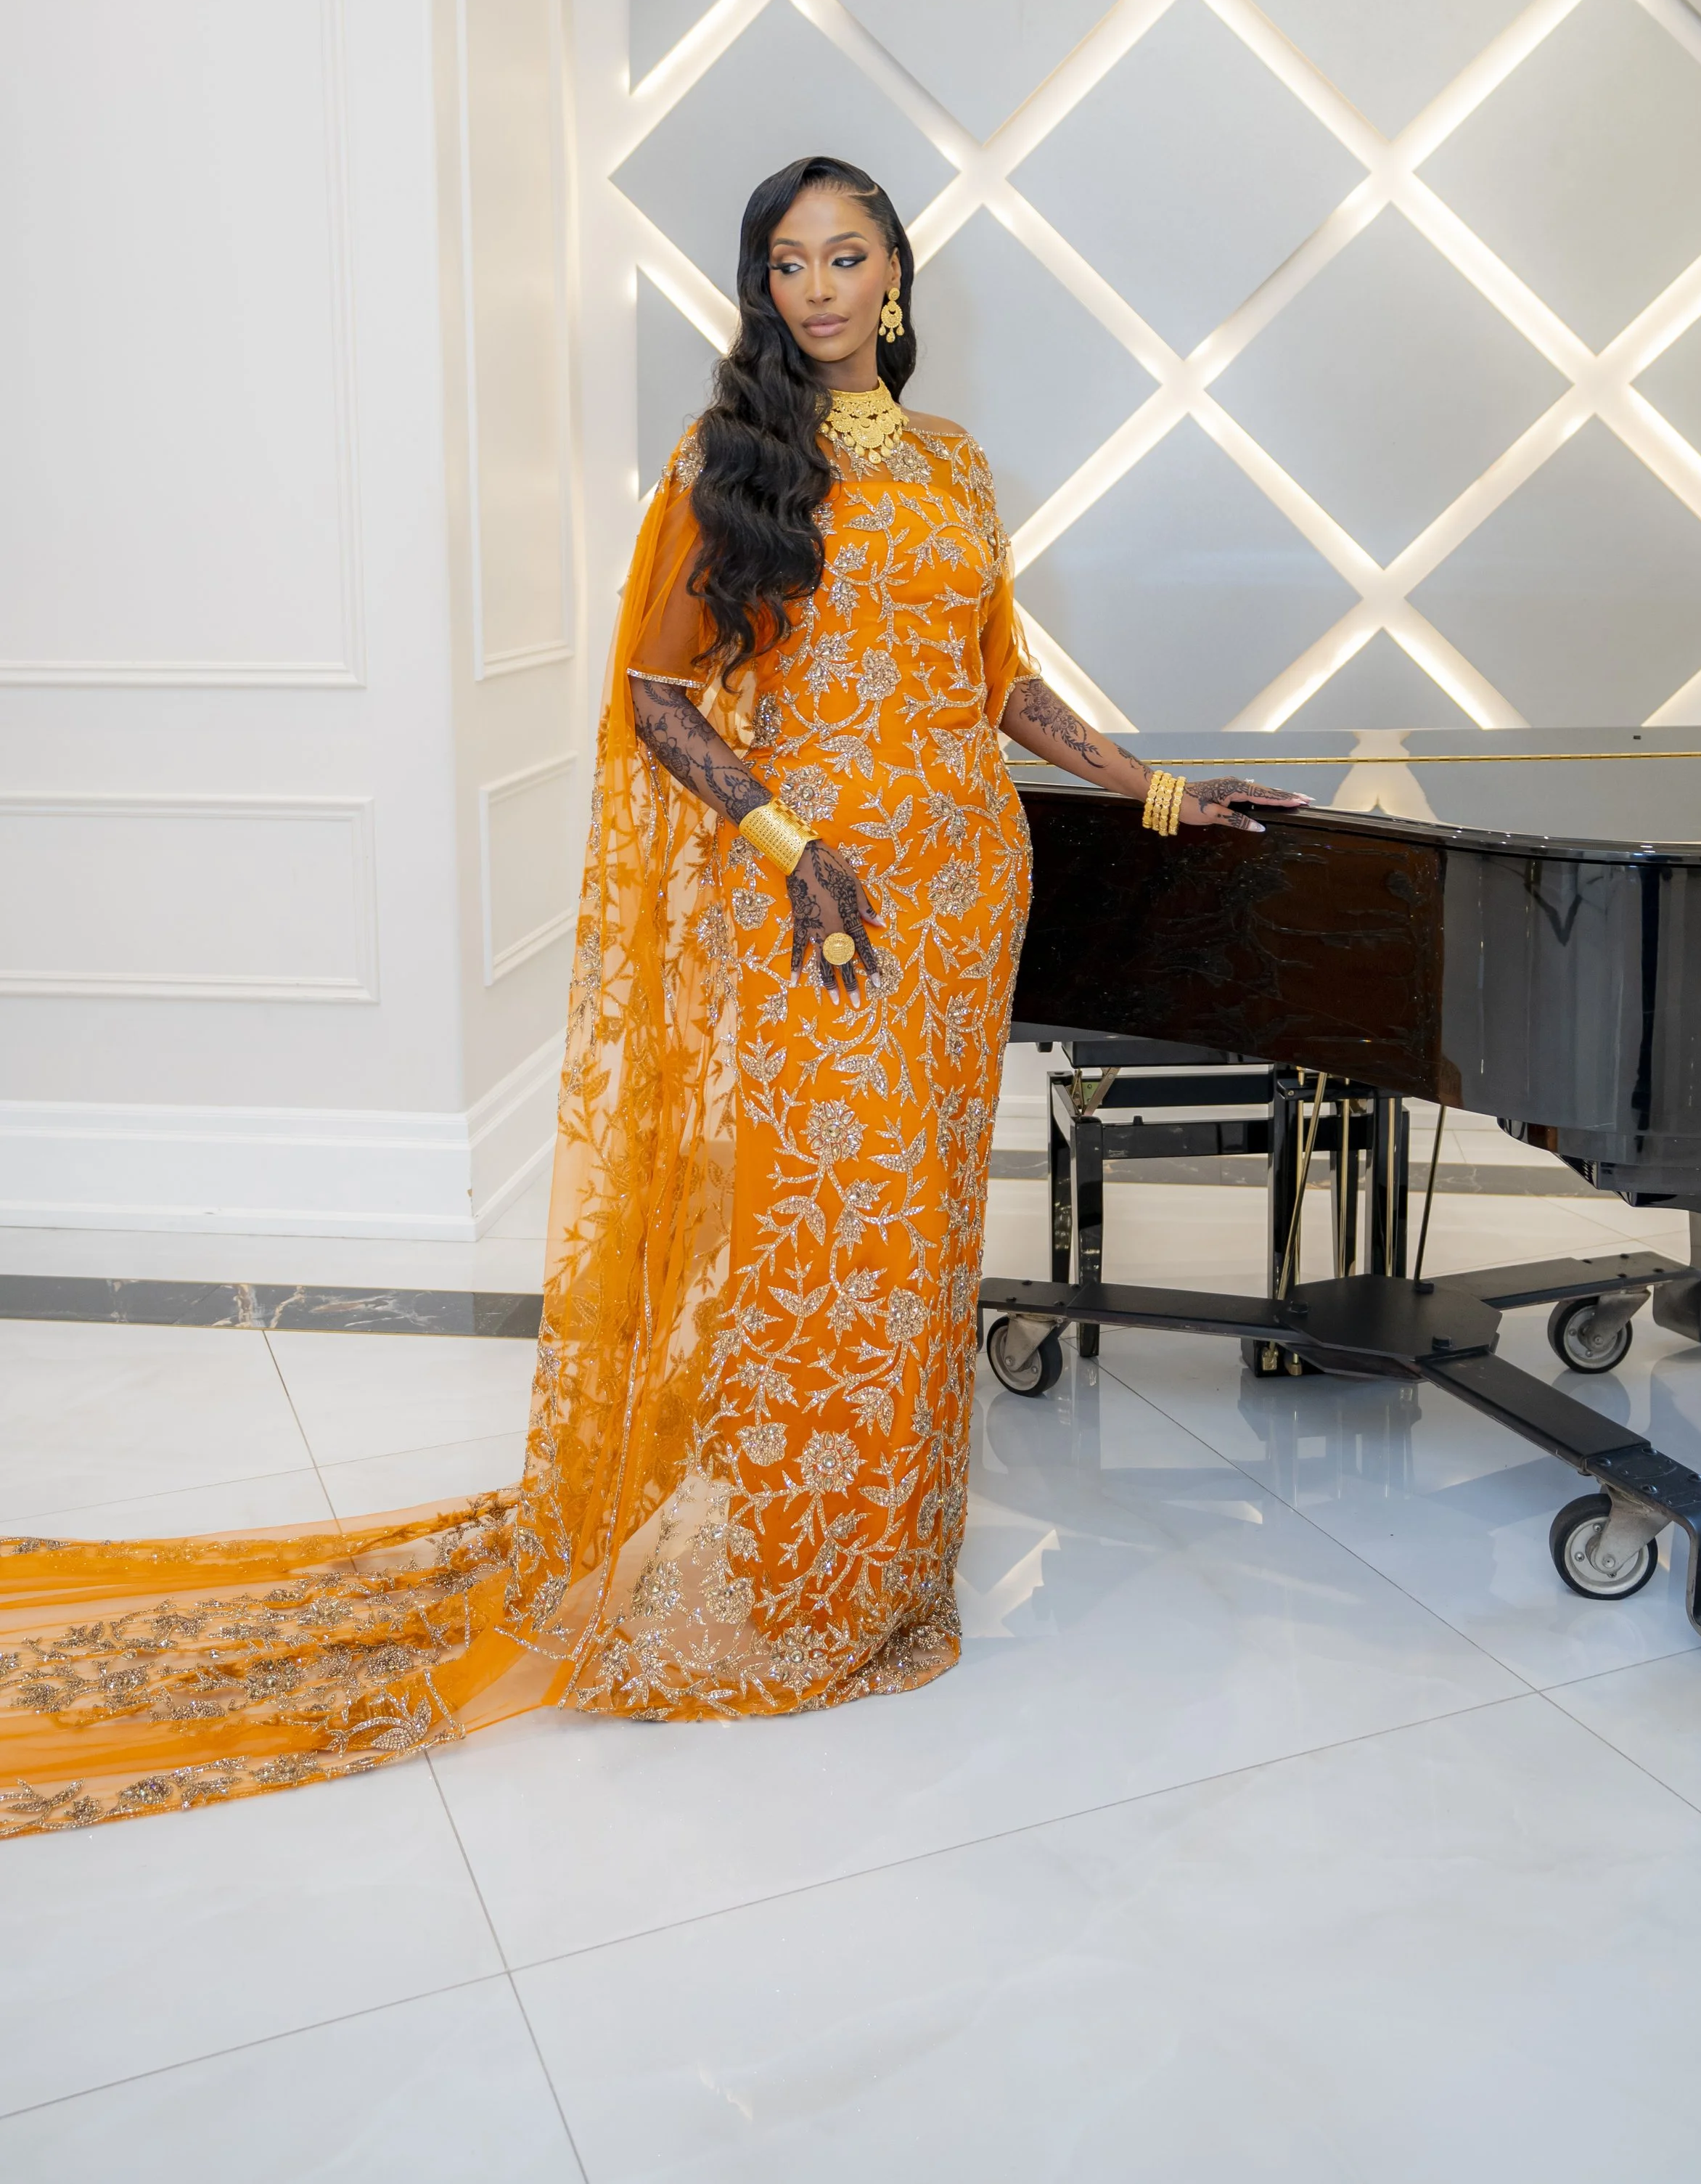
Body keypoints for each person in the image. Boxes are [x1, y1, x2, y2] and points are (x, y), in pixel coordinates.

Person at [0, 153, 1303, 1837]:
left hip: (967, 896)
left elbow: (997, 682)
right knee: (817, 1228)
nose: (818, 288)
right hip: (823, 905)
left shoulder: (956, 465)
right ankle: (786, 1571)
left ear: (894, 275)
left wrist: (1154, 789)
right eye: (788, 262)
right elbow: (656, 696)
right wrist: (789, 848)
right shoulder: (732, 462)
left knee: (917, 1229)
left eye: (846, 255)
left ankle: (886, 1565)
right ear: (761, 287)